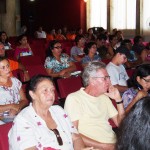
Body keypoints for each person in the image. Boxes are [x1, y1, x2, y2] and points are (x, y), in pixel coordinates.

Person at [8, 75, 93, 150]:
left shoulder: (58, 111)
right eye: (45, 90)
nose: (51, 94)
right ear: (32, 94)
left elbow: (76, 137)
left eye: (52, 90)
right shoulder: (23, 120)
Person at [65, 61, 125, 149]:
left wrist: (118, 100)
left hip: (114, 144)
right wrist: (105, 146)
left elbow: (121, 124)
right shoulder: (74, 99)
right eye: (105, 78)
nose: (109, 81)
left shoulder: (104, 97)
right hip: (95, 147)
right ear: (92, 80)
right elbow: (73, 134)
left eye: (108, 77)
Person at [0, 56, 28, 124]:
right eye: (3, 67)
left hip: (18, 114)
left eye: (7, 66)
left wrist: (17, 107)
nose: (7, 69)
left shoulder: (15, 81)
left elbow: (24, 100)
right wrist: (12, 106)